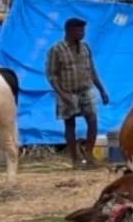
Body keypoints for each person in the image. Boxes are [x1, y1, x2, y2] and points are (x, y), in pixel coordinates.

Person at [46, 18, 109, 168]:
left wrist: (102, 90)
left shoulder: (85, 48)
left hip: (86, 90)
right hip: (67, 92)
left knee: (92, 120)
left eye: (83, 30)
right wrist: (62, 94)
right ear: (69, 31)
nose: (82, 33)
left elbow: (92, 70)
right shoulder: (56, 50)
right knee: (70, 124)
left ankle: (89, 155)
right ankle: (75, 158)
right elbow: (51, 75)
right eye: (79, 30)